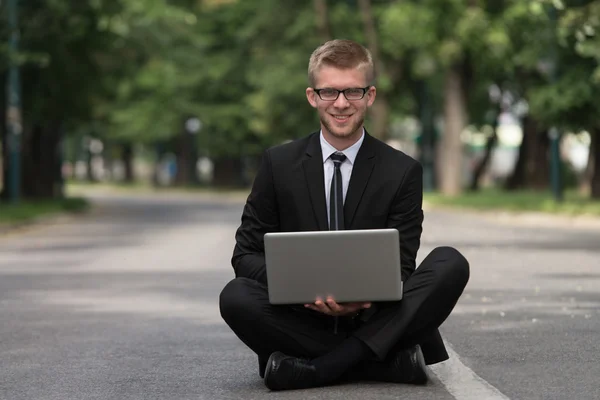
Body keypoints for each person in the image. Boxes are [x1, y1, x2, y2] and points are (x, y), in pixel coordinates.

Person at [219, 39, 470, 391]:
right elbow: (244, 256)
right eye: (329, 92)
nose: (340, 103)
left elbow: (400, 266)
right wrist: (304, 288)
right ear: (312, 96)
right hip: (299, 318)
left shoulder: (402, 171)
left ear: (370, 95)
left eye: (353, 91)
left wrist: (363, 296)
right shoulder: (278, 164)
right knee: (235, 296)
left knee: (450, 263)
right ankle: (382, 363)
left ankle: (320, 369)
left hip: (375, 315)